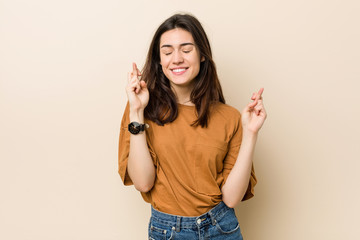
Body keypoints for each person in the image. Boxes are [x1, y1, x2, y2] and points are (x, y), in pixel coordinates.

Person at [118, 13, 267, 240]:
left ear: (202, 55)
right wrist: (137, 112)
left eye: (186, 50)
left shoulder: (229, 117)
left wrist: (251, 133)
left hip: (221, 228)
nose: (176, 59)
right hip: (167, 231)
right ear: (159, 60)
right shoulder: (141, 110)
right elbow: (143, 182)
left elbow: (231, 198)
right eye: (167, 52)